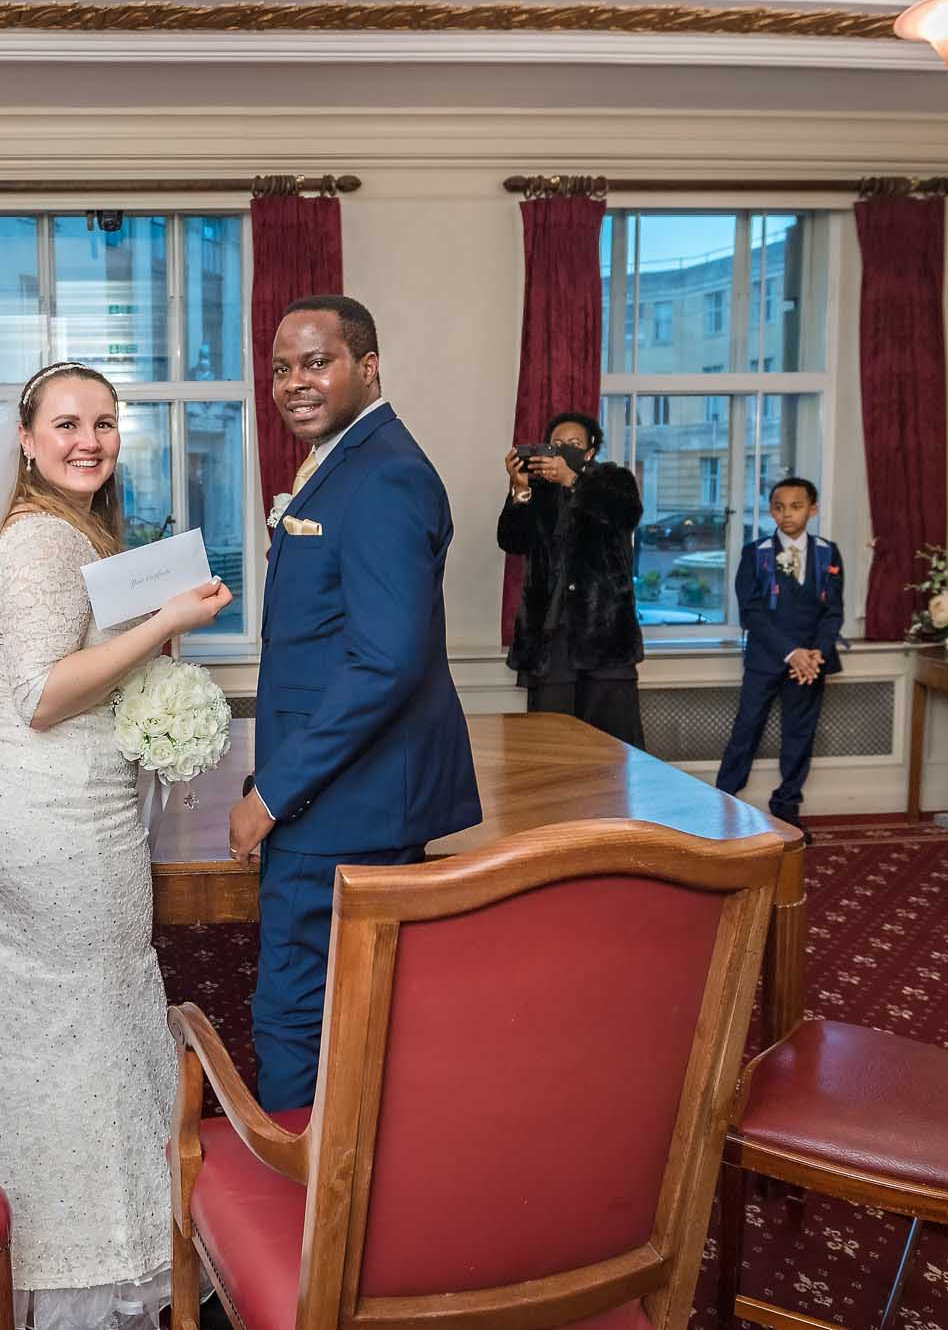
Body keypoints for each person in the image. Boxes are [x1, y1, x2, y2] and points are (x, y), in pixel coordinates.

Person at [0, 362, 231, 1327]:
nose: (91, 440)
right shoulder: (42, 540)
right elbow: (45, 694)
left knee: (20, 1003)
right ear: (28, 440)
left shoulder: (51, 527)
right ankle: (89, 1251)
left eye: (106, 423)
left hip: (9, 804)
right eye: (69, 424)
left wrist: (148, 643)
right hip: (54, 817)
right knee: (89, 1005)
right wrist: (169, 619)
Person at [227, 295, 480, 1112]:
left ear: (368, 367)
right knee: (347, 1002)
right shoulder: (349, 458)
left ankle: (299, 1208)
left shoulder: (385, 474)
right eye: (280, 368)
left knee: (297, 1008)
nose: (294, 382)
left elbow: (386, 659)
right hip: (349, 789)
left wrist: (271, 791)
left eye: (316, 362)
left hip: (343, 803)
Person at [498, 411, 646, 747]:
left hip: (604, 639)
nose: (564, 449)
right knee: (552, 748)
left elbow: (626, 514)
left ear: (591, 450)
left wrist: (572, 481)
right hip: (551, 643)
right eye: (557, 444)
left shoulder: (613, 482)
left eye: (574, 444)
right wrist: (520, 491)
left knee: (613, 749)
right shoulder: (539, 492)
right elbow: (512, 541)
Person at [714, 477, 846, 837]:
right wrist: (792, 653)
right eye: (779, 506)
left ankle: (787, 806)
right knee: (746, 729)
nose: (787, 514)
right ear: (771, 510)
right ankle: (723, 800)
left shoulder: (827, 552)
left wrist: (816, 653)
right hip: (767, 658)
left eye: (796, 506)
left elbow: (833, 611)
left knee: (799, 734)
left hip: (810, 664)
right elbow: (751, 612)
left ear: (812, 509)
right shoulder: (754, 552)